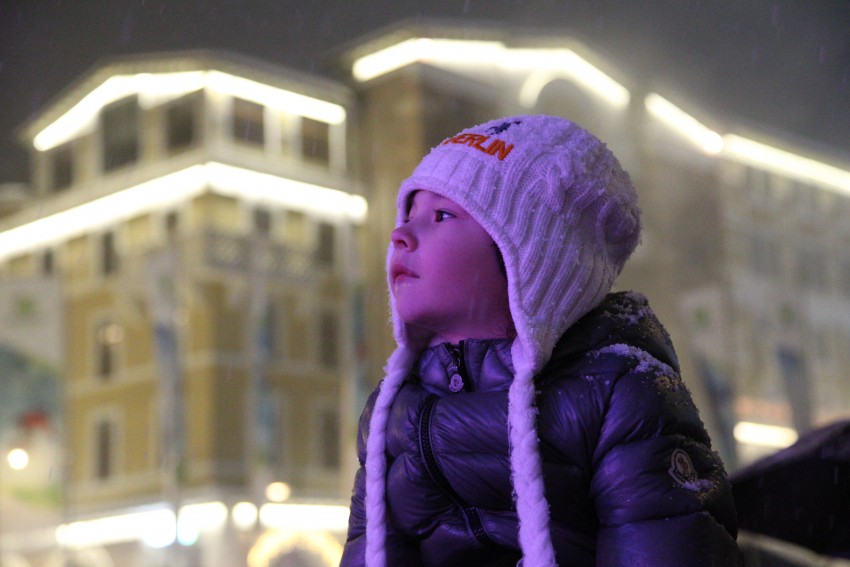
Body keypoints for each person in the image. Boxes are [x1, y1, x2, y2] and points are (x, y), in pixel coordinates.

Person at [341, 115, 741, 566]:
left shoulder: (619, 393)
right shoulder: (392, 408)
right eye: (408, 215)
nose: (400, 235)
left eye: (442, 215)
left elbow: (666, 547)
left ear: (535, 256)